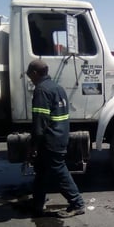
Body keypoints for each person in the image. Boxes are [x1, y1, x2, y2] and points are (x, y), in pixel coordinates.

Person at [26, 59, 85, 218]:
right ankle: (38, 203)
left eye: (29, 75)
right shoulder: (57, 88)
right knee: (42, 171)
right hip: (60, 135)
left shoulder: (42, 90)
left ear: (35, 73)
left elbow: (40, 121)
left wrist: (33, 145)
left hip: (50, 139)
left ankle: (77, 203)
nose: (29, 79)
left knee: (58, 171)